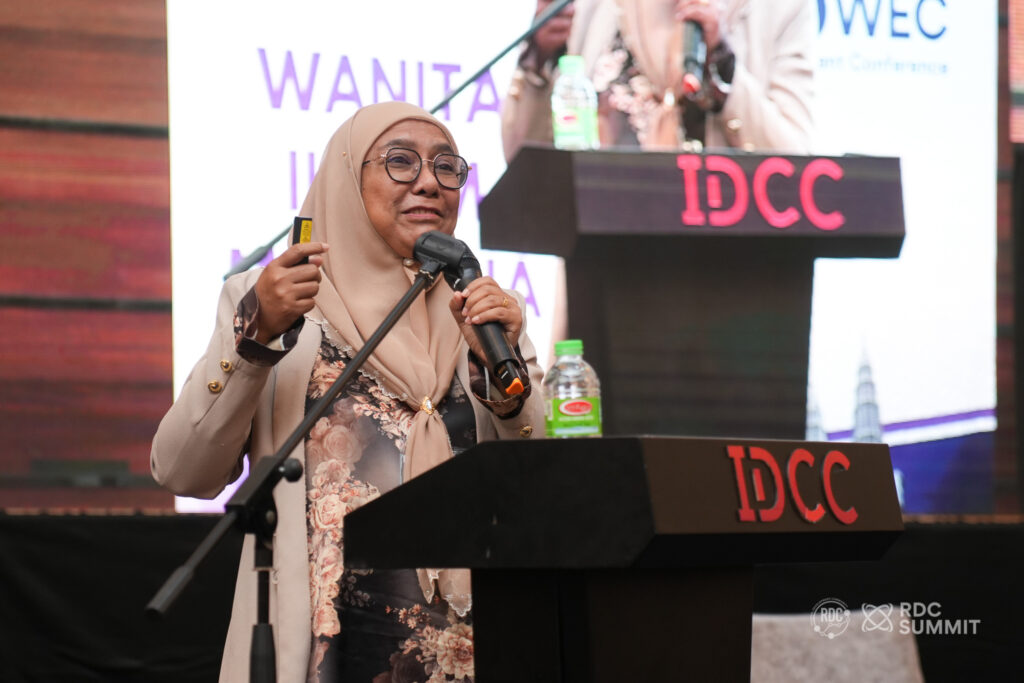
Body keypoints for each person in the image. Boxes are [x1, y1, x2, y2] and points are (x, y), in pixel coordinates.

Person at [151, 101, 545, 683]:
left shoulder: (482, 311)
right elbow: (183, 470)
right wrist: (256, 337)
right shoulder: (278, 301)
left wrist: (505, 388)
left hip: (480, 644)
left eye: (446, 166)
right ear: (345, 180)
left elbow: (541, 489)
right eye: (401, 162)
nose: (429, 183)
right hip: (331, 651)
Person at [501, 0, 815, 159]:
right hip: (603, 251)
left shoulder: (778, 8)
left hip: (730, 255)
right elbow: (524, 164)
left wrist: (723, 66)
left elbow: (798, 164)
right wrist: (538, 60)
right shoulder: (590, 7)